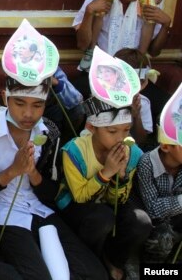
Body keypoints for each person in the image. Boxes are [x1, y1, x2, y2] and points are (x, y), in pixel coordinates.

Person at [0, 76, 106, 280]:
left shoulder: (50, 132)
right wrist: (11, 172)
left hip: (40, 208)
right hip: (3, 211)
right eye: (20, 104)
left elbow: (51, 192)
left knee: (95, 274)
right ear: (5, 98)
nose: (28, 114)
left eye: (38, 105)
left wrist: (33, 173)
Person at [56, 59, 152, 280]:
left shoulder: (132, 152)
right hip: (77, 206)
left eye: (126, 129)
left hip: (108, 204)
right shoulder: (74, 151)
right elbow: (79, 196)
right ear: (91, 127)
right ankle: (91, 258)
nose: (121, 137)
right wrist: (105, 173)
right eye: (112, 131)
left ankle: (114, 258)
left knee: (140, 222)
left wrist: (121, 175)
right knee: (102, 217)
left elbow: (119, 200)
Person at [72, 0, 171, 97]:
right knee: (73, 99)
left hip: (135, 74)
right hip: (100, 73)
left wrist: (166, 25)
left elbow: (154, 52)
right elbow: (82, 45)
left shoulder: (148, 5)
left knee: (163, 105)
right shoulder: (95, 2)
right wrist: (89, 13)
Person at [131, 135, 182, 263]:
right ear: (165, 146)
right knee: (161, 240)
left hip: (176, 219)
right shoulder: (147, 163)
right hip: (152, 225)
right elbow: (153, 209)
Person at [113, 48, 157, 148]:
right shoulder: (102, 97)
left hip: (131, 149)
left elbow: (141, 140)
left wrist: (136, 116)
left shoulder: (143, 103)